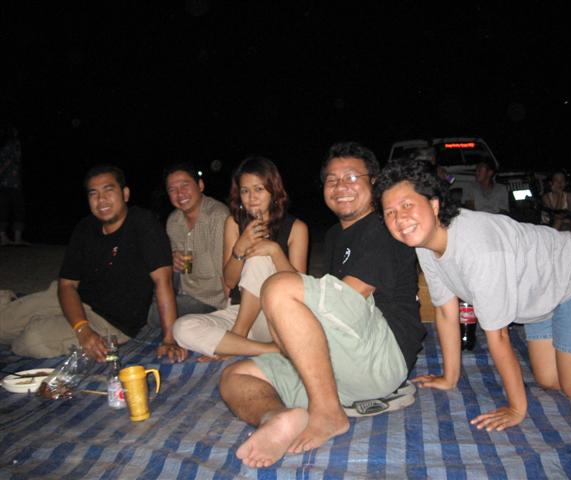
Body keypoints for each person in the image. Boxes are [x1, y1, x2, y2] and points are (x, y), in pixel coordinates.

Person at [375, 158, 571, 432]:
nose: (400, 219)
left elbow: (499, 336)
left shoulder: (479, 250)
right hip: (541, 292)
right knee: (550, 378)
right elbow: (445, 310)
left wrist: (516, 408)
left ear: (433, 204)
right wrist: (449, 378)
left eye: (407, 205)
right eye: (390, 212)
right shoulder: (424, 243)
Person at [219, 142, 425, 468]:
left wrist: (285, 323)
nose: (341, 186)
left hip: (381, 356)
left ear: (374, 183)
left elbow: (348, 298)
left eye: (352, 177)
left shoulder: (381, 227)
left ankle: (327, 413)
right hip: (344, 370)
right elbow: (324, 313)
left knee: (279, 286)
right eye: (332, 180)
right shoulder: (333, 236)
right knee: (235, 376)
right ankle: (277, 418)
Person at [0, 165, 186, 362]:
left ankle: (37, 320)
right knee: (3, 324)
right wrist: (81, 328)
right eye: (93, 193)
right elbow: (67, 285)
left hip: (109, 322)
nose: (101, 199)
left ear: (125, 194)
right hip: (73, 301)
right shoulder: (85, 228)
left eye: (108, 190)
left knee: (30, 341)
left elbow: (163, 281)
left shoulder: (143, 224)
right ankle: (19, 308)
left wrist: (169, 339)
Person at [172, 156, 308, 360]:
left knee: (259, 257)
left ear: (273, 190)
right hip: (238, 311)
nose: (252, 197)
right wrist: (240, 247)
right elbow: (228, 283)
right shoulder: (234, 224)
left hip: (274, 316)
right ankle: (271, 349)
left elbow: (302, 290)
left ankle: (235, 340)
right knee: (182, 327)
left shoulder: (297, 228)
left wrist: (275, 251)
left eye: (259, 189)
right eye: (245, 191)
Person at [147, 163, 229, 325]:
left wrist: (230, 313)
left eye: (185, 185)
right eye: (172, 190)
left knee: (156, 314)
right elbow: (183, 268)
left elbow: (226, 274)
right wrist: (172, 260)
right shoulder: (174, 221)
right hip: (185, 290)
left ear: (200, 185)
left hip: (213, 301)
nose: (180, 193)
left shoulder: (218, 217)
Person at [0, 125, 26, 246]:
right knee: (15, 209)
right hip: (10, 183)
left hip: (8, 183)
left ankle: (7, 238)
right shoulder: (13, 144)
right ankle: (13, 239)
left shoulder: (6, 144)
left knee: (6, 209)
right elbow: (10, 160)